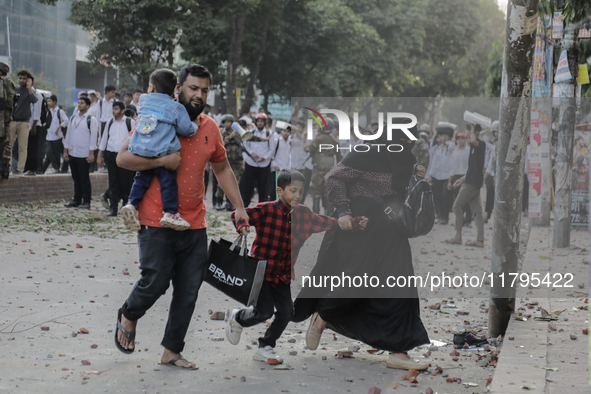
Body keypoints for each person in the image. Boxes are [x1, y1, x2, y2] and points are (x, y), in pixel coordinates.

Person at [114, 63, 249, 369]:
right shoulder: (156, 117)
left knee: (188, 290)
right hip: (155, 220)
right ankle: (129, 313)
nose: (199, 95)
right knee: (156, 280)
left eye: (204, 90)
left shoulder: (210, 128)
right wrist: (162, 160)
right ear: (178, 89)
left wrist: (239, 206)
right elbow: (123, 157)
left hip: (194, 223)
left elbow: (222, 167)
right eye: (193, 88)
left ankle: (171, 350)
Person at [293, 123, 430, 371]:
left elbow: (403, 193)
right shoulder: (366, 151)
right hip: (361, 227)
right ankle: (322, 316)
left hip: (391, 230)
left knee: (400, 282)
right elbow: (332, 178)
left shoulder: (406, 159)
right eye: (402, 137)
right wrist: (344, 212)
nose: (407, 143)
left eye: (411, 138)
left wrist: (415, 176)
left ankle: (399, 350)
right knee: (355, 281)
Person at [226, 169, 367, 364]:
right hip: (261, 273)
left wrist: (354, 223)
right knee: (264, 311)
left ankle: (266, 345)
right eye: (293, 191)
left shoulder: (305, 215)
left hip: (283, 275)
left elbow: (328, 222)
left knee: (287, 313)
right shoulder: (266, 210)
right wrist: (242, 224)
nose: (298, 196)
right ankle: (238, 318)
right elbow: (239, 214)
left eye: (301, 192)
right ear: (280, 191)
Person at [119, 69, 197, 231]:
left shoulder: (144, 100)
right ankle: (170, 213)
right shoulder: (176, 107)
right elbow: (186, 129)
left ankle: (131, 204)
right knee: (168, 182)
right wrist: (194, 126)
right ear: (175, 89)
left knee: (141, 179)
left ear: (152, 88)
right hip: (163, 151)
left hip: (142, 149)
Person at [446, 123, 486, 247]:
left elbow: (473, 139)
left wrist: (473, 128)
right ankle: (480, 240)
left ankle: (458, 237)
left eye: (470, 132)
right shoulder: (472, 148)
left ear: (476, 133)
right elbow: (472, 169)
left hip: (472, 184)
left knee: (457, 207)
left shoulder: (480, 145)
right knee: (478, 212)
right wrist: (461, 179)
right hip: (470, 181)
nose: (468, 134)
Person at [97, 101, 136, 216]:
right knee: (113, 182)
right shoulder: (109, 122)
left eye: (116, 109)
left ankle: (125, 207)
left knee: (126, 182)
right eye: (113, 109)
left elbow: (134, 139)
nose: (114, 111)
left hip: (125, 155)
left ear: (122, 111)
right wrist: (100, 155)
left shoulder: (130, 122)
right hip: (111, 154)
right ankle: (113, 208)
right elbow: (104, 139)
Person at [63, 97, 98, 209]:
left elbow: (93, 137)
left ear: (87, 106)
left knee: (84, 178)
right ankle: (77, 199)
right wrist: (65, 150)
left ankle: (86, 201)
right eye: (78, 103)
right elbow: (68, 135)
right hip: (73, 152)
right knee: (75, 178)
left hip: (84, 154)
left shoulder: (91, 119)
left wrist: (91, 153)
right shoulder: (73, 118)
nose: (79, 105)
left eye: (82, 103)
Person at [306, 118, 342, 214]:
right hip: (330, 171)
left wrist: (305, 145)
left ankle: (315, 215)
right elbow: (339, 158)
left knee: (316, 193)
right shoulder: (335, 140)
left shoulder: (318, 139)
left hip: (317, 171)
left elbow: (309, 149)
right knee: (328, 193)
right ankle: (329, 216)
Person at [8, 70, 38, 175]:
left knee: (23, 147)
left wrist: (29, 87)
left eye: (24, 78)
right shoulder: (14, 89)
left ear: (28, 80)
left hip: (24, 123)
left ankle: (20, 170)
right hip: (12, 121)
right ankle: (8, 168)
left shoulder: (31, 91)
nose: (22, 80)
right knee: (9, 146)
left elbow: (34, 100)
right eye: (20, 78)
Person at [239, 113, 273, 207]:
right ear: (255, 122)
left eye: (262, 121)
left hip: (264, 165)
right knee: (248, 187)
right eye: (258, 121)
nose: (260, 123)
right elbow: (245, 144)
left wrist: (265, 158)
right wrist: (251, 153)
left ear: (265, 122)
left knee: (263, 189)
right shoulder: (251, 132)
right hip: (251, 163)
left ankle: (261, 208)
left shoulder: (269, 134)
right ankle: (245, 207)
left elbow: (272, 149)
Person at [425, 126, 455, 225]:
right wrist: (430, 175)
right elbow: (434, 162)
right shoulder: (438, 148)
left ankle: (444, 217)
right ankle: (438, 214)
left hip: (447, 176)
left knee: (445, 196)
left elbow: (452, 146)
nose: (442, 138)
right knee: (437, 196)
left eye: (445, 136)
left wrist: (452, 137)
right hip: (437, 176)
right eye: (442, 136)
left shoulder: (450, 146)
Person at [215, 114, 243, 211]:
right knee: (221, 183)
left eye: (228, 122)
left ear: (231, 123)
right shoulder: (221, 133)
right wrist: (230, 137)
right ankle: (218, 202)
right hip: (225, 162)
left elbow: (243, 144)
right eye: (225, 122)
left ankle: (230, 203)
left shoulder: (238, 133)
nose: (226, 124)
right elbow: (220, 144)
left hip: (236, 162)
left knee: (234, 183)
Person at [448, 132, 472, 227]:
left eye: (462, 139)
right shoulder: (454, 152)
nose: (460, 141)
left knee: (467, 199)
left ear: (465, 140)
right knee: (458, 200)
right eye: (458, 139)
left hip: (466, 176)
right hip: (456, 177)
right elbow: (452, 167)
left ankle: (468, 220)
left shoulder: (469, 151)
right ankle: (459, 220)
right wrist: (450, 181)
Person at [40, 95, 68, 174]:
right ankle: (54, 168)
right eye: (48, 101)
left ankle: (56, 168)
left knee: (56, 153)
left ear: (54, 102)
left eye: (50, 101)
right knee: (49, 152)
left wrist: (59, 127)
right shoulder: (49, 111)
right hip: (49, 136)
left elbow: (66, 121)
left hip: (57, 136)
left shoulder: (59, 111)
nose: (48, 103)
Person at [23, 77, 44, 176]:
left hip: (34, 126)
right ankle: (25, 168)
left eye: (27, 81)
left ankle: (32, 169)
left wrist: (33, 127)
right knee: (25, 148)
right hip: (25, 125)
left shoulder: (37, 95)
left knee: (33, 148)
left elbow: (37, 114)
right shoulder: (24, 94)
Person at [267, 122, 291, 201]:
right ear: (281, 131)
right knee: (274, 190)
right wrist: (274, 165)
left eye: (288, 131)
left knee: (283, 189)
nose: (286, 133)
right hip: (276, 169)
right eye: (284, 131)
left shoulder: (290, 142)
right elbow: (271, 153)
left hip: (285, 169)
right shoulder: (276, 140)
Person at [0, 61, 15, 179]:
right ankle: (5, 170)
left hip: (2, 115)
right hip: (7, 116)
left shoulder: (2, 83)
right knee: (6, 142)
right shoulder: (10, 82)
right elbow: (12, 103)